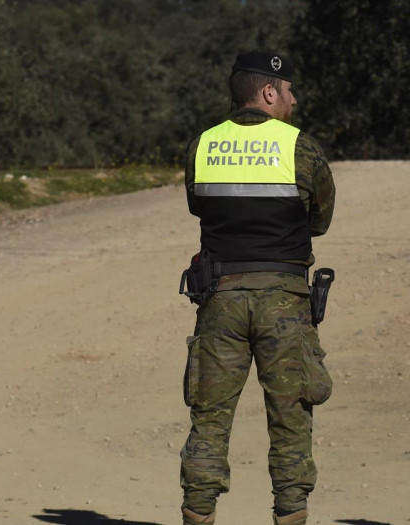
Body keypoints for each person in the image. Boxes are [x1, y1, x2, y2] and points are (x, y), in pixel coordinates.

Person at [179, 51, 335, 525]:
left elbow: (196, 206)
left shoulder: (203, 145)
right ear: (269, 92)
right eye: (288, 90)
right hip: (284, 302)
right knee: (290, 418)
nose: (293, 98)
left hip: (220, 298)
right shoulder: (299, 148)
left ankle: (198, 515)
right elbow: (321, 219)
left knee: (209, 418)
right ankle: (290, 515)